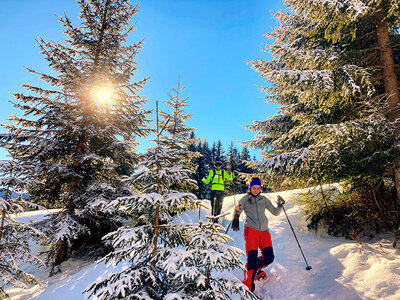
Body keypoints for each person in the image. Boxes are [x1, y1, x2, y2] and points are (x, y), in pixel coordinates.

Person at [231, 177, 285, 292]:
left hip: (264, 232)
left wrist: (280, 205)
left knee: (269, 258)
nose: (256, 190)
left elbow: (275, 212)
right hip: (251, 231)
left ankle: (253, 271)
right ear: (250, 188)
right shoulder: (245, 199)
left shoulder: (263, 199)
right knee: (251, 259)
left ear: (260, 188)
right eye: (253, 188)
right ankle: (248, 288)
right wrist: (236, 215)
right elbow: (238, 211)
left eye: (258, 188)